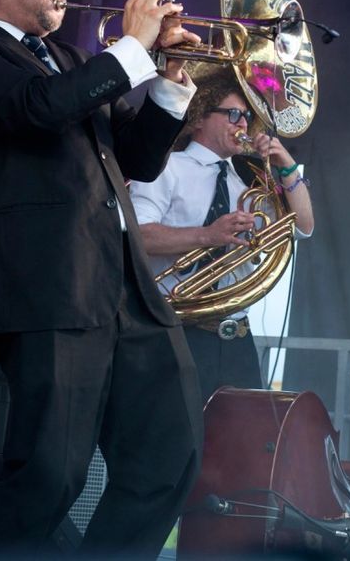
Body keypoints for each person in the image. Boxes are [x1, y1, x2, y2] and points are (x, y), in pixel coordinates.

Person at [0, 0, 204, 560]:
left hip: (127, 289)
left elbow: (137, 158)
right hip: (49, 286)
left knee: (170, 458)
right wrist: (132, 46)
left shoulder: (75, 61)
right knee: (51, 476)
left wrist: (169, 76)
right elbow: (37, 108)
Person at [129, 63, 314, 404]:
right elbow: (136, 237)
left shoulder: (249, 184)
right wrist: (207, 236)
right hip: (177, 332)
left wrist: (285, 164)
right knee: (177, 442)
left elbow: (302, 227)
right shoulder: (163, 167)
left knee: (240, 445)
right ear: (198, 116)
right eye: (232, 114)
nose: (243, 124)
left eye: (246, 116)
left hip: (236, 337)